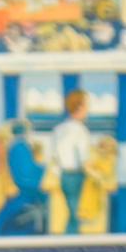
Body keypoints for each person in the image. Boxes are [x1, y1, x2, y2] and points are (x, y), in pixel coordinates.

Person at [50, 85, 96, 236]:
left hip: (64, 175)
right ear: (80, 107)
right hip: (76, 176)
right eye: (87, 105)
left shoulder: (59, 129)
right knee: (76, 214)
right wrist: (96, 174)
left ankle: (69, 236)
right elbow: (84, 160)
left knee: (72, 211)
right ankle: (71, 239)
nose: (88, 109)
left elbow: (54, 156)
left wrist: (57, 173)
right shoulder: (81, 130)